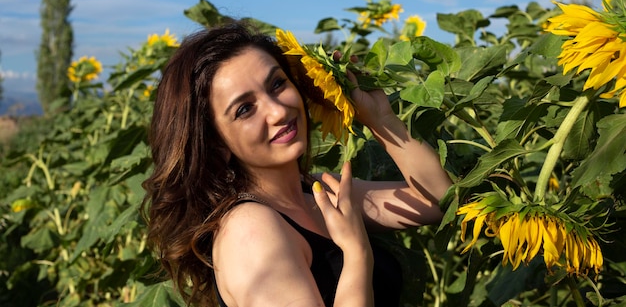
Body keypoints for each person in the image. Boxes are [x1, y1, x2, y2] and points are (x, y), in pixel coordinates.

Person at [142, 22, 452, 307]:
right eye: (245, 109)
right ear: (215, 143)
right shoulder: (251, 232)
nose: (278, 111)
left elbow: (440, 202)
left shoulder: (315, 192)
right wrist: (357, 254)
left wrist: (381, 120)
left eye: (277, 84)